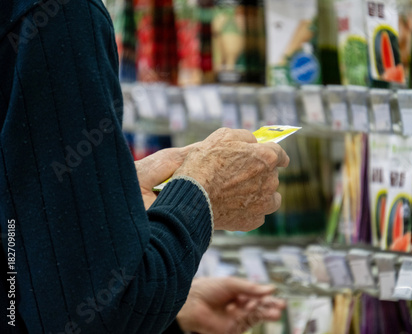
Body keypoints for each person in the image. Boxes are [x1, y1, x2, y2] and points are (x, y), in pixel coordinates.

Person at [0, 0, 289, 333]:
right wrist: (202, 194)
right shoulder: (59, 13)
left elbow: (24, 248)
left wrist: (169, 305)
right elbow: (100, 318)